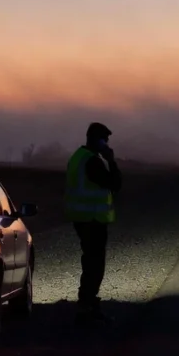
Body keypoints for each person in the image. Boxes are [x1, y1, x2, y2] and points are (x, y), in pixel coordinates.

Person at [64, 122, 122, 324]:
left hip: (82, 218)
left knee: (91, 262)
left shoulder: (78, 157)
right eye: (105, 140)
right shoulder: (92, 162)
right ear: (98, 140)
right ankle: (87, 308)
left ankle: (87, 306)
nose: (107, 144)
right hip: (92, 219)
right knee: (94, 265)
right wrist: (111, 161)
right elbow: (115, 183)